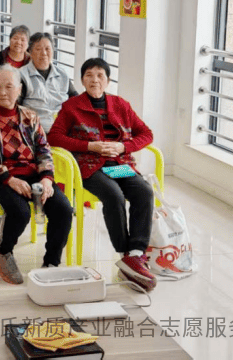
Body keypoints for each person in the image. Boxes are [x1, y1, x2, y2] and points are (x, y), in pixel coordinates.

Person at [48, 57, 156, 292]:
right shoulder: (71, 106)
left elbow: (146, 134)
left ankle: (135, 253)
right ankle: (124, 252)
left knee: (144, 192)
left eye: (100, 75)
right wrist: (90, 146)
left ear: (107, 80)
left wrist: (123, 147)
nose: (94, 80)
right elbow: (54, 137)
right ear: (82, 80)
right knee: (113, 195)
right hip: (89, 165)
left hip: (118, 164)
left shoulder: (121, 105)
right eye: (89, 75)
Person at [0, 65, 73, 284]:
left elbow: (44, 150)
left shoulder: (30, 116)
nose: (3, 92)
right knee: (19, 212)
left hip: (34, 175)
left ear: (19, 89)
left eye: (9, 86)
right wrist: (9, 179)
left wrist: (47, 178)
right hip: (0, 178)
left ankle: (51, 263)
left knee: (64, 210)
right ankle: (2, 251)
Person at [20, 32, 77, 132]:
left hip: (64, 129)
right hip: (36, 131)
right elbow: (14, 106)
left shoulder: (62, 74)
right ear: (30, 52)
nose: (44, 53)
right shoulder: (22, 75)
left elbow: (76, 99)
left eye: (47, 49)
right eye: (38, 49)